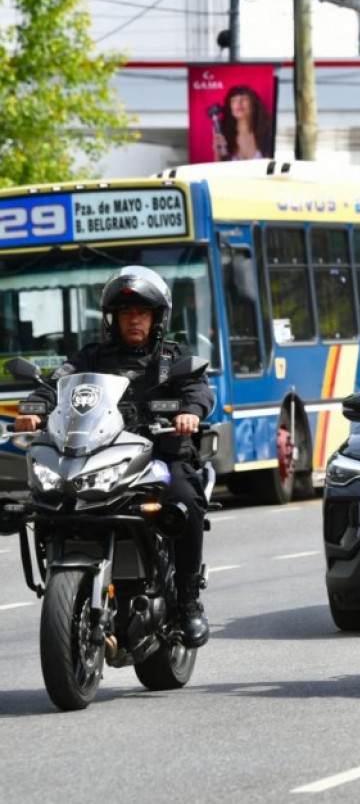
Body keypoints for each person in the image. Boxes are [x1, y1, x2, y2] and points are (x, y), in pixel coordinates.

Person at [14, 266, 215, 648]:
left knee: (185, 501)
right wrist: (36, 409)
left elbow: (198, 389)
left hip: (160, 453)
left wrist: (191, 412)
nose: (134, 320)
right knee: (48, 501)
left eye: (142, 313)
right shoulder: (92, 357)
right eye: (126, 314)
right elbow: (58, 384)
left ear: (156, 319)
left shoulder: (175, 358)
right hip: (100, 454)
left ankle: (188, 600)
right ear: (113, 319)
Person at [213, 85, 272, 162]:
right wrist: (217, 153)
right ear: (230, 108)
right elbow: (218, 169)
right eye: (234, 100)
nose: (239, 103)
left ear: (253, 105)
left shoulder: (267, 131)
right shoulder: (222, 133)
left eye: (244, 99)